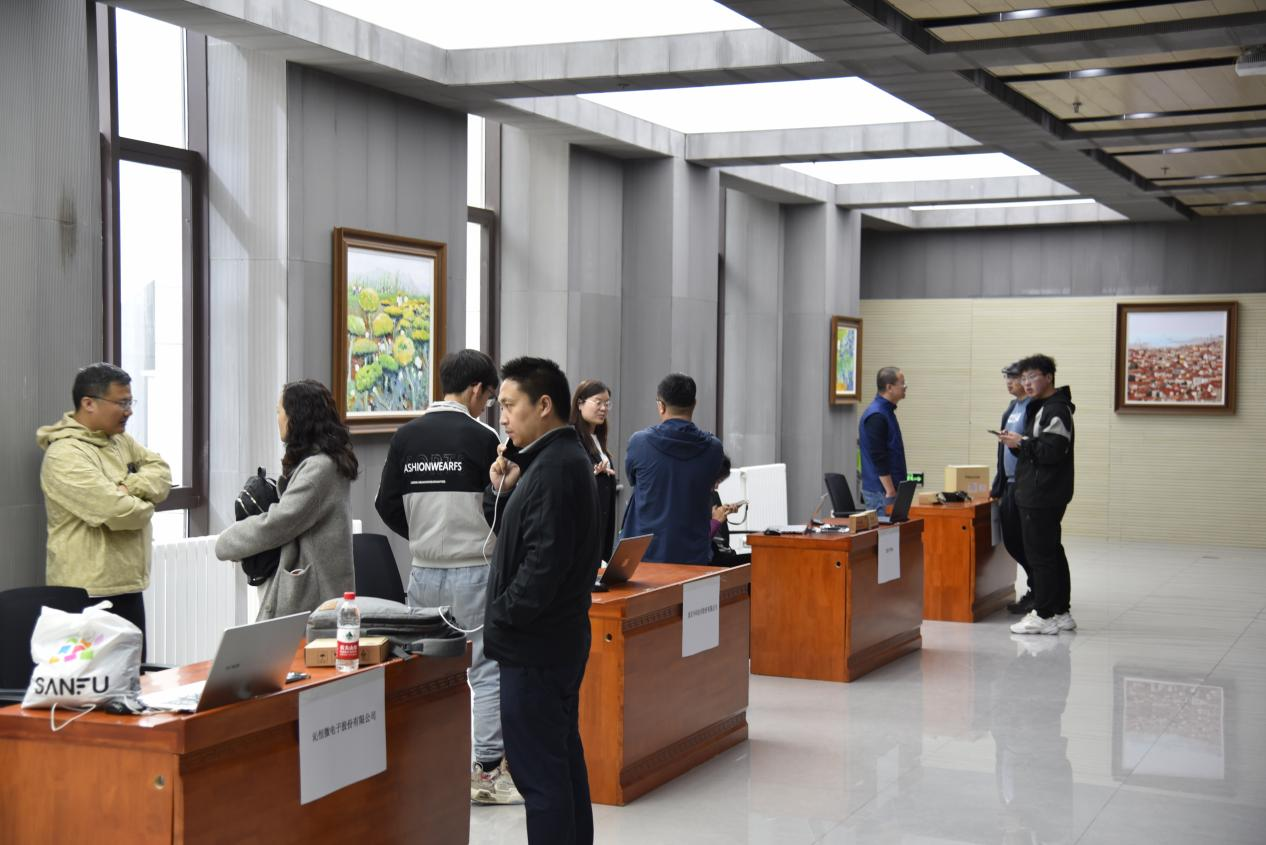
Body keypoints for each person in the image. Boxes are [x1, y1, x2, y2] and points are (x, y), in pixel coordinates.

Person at [374, 349, 522, 805]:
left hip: (422, 572)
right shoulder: (483, 437)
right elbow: (500, 503)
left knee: (428, 670)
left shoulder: (406, 436)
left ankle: (429, 764)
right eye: (489, 398)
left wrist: (420, 534)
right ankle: (486, 770)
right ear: (476, 390)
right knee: (485, 668)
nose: (488, 407)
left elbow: (385, 504)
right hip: (474, 569)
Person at [482, 356, 600, 845]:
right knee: (560, 761)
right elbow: (526, 539)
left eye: (510, 405)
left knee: (540, 776)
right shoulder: (555, 460)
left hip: (535, 646)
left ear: (544, 404)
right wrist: (504, 490)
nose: (503, 417)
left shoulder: (555, 470)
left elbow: (540, 568)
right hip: (554, 640)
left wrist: (500, 616)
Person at [37, 363, 172, 654]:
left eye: (131, 402)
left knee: (134, 675)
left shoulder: (120, 441)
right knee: (91, 680)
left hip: (127, 586)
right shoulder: (65, 454)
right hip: (85, 593)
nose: (129, 411)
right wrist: (145, 502)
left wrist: (128, 486)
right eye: (121, 403)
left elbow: (162, 473)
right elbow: (117, 512)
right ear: (88, 403)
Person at [215, 379, 356, 620]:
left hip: (317, 602)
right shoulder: (327, 461)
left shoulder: (318, 469)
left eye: (279, 411)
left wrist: (227, 541)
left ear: (296, 417)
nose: (278, 418)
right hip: (324, 595)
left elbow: (279, 522)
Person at [1000, 355, 1076, 636]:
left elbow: (1052, 451)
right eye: (1023, 378)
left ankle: (1043, 614)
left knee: (1040, 555)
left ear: (1049, 377)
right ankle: (1060, 611)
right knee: (1051, 551)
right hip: (1042, 490)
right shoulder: (1043, 406)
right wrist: (1020, 443)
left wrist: (1021, 442)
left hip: (1042, 492)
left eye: (1032, 377)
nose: (1026, 383)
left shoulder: (1055, 409)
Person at [622, 373, 724, 565]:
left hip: (646, 555)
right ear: (694, 404)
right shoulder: (714, 448)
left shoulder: (639, 442)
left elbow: (633, 479)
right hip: (694, 555)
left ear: (661, 406)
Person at [990, 362, 1033, 614]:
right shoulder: (1012, 407)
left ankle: (1038, 592)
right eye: (1006, 378)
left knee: (1028, 542)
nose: (1009, 382)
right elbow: (1003, 449)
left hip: (1025, 484)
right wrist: (998, 484)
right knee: (1012, 540)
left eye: (1013, 377)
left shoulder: (1032, 407)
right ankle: (1036, 589)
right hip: (1008, 483)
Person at [570, 379, 618, 562]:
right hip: (582, 530)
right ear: (580, 403)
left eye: (607, 403)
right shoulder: (571, 437)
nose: (604, 408)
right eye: (598, 402)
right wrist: (591, 474)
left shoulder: (597, 438)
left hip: (602, 526)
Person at [858, 366, 908, 512]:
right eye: (902, 383)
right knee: (884, 527)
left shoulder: (886, 411)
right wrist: (890, 491)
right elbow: (878, 456)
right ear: (889, 387)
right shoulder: (877, 416)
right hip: (882, 493)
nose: (905, 387)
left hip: (888, 491)